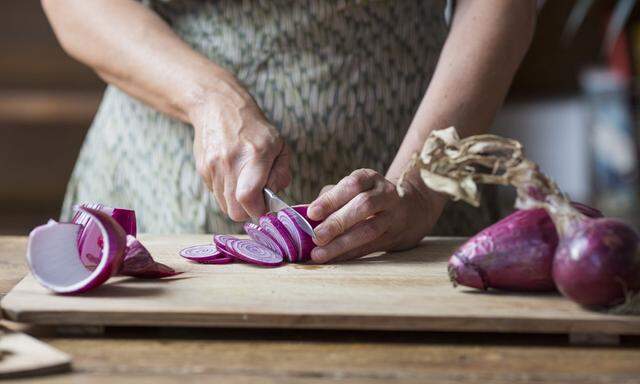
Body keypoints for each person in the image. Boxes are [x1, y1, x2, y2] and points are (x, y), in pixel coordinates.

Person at [43, 0, 536, 263]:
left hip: (420, 150)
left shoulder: (422, 188)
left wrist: (420, 189)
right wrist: (207, 97)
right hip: (162, 176)